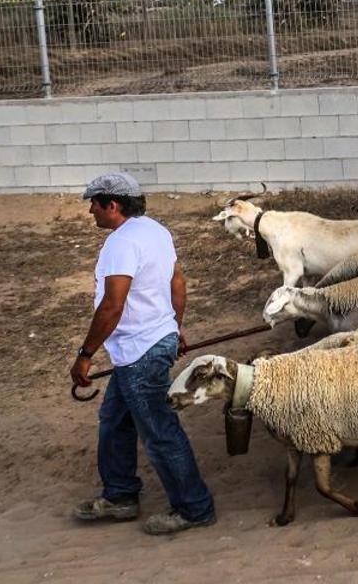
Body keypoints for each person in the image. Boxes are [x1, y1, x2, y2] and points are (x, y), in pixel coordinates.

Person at [70, 172, 216, 535]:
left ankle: (194, 508)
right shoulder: (156, 231)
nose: (91, 211)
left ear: (113, 205)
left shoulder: (121, 244)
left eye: (95, 203)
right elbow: (177, 282)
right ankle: (120, 496)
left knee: (160, 431)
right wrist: (173, 326)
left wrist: (85, 354)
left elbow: (111, 306)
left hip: (140, 352)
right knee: (114, 420)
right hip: (146, 345)